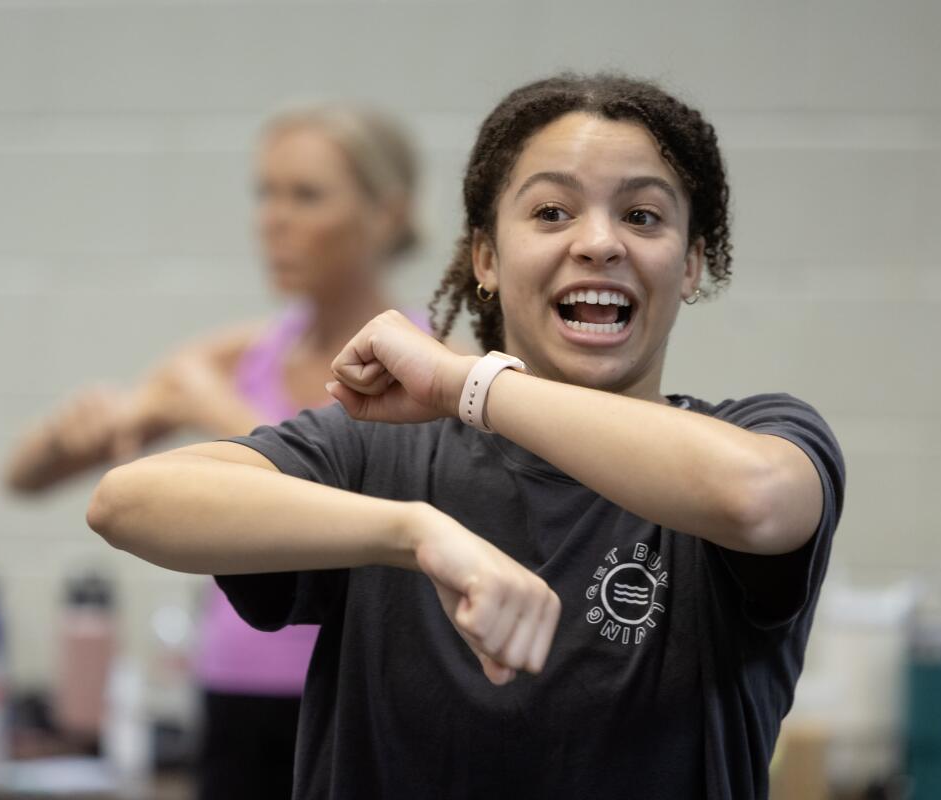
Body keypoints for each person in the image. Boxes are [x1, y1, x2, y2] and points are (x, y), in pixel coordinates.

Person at [86, 73, 846, 798]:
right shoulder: (380, 453)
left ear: (691, 263)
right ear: (486, 255)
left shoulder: (756, 437)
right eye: (552, 212)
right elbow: (129, 502)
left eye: (643, 216)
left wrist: (466, 383)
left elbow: (756, 500)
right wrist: (412, 532)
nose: (600, 243)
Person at [3, 103, 422, 799]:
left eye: (306, 195)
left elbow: (348, 511)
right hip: (232, 693)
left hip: (361, 695)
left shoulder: (432, 370)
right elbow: (25, 477)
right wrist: (63, 436)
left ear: (386, 214)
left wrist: (211, 409)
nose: (273, 220)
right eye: (266, 193)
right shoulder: (238, 356)